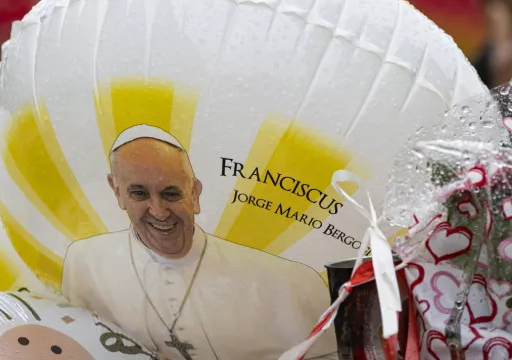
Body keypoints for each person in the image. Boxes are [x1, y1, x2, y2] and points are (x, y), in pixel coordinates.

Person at [61, 125, 334, 360]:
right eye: (139, 193)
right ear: (116, 191)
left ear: (194, 194)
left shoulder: (291, 282)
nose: (158, 210)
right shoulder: (85, 261)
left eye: (171, 194)